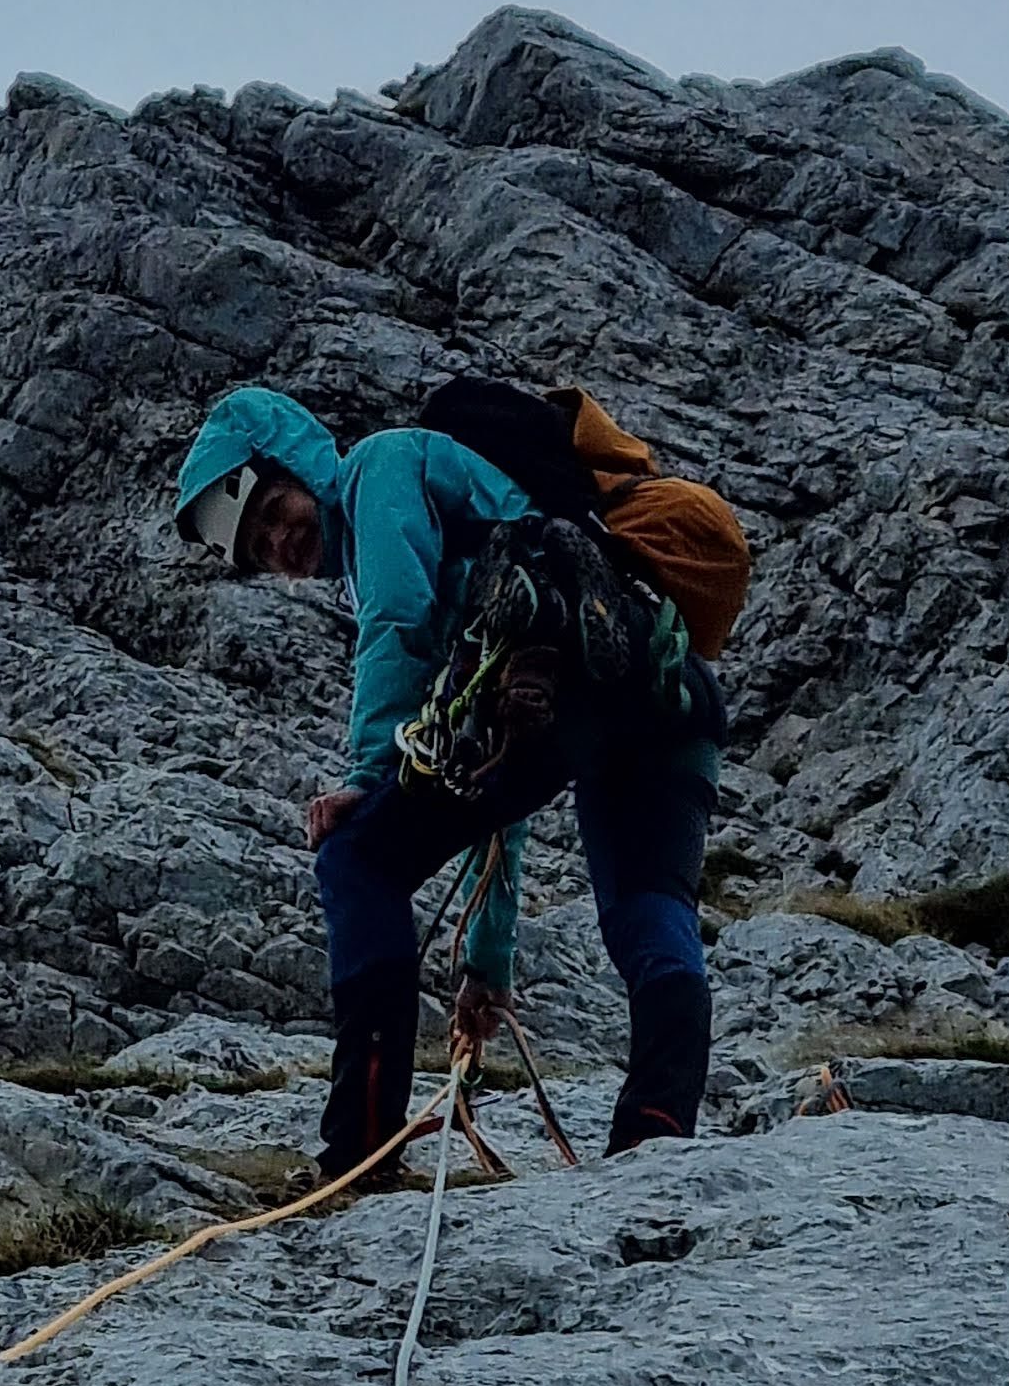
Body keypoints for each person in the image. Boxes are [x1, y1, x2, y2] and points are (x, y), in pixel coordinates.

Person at [173, 384, 724, 1172]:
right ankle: (656, 1137)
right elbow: (492, 769)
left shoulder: (377, 467)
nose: (279, 542)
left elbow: (395, 618)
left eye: (273, 511)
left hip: (566, 683)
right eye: (259, 548)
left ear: (291, 463)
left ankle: (361, 1146)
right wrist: (487, 965)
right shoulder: (472, 524)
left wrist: (367, 777)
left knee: (357, 859)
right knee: (647, 909)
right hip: (662, 682)